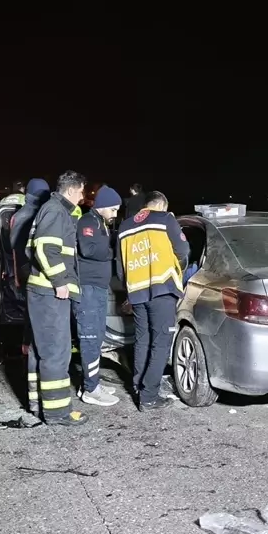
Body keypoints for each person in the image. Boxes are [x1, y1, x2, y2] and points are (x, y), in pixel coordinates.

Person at [25, 171, 89, 426]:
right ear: (73, 190)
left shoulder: (51, 209)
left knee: (41, 350)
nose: (83, 197)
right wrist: (60, 281)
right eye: (82, 192)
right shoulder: (56, 211)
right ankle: (57, 412)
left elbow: (32, 248)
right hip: (50, 293)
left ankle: (37, 404)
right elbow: (43, 248)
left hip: (42, 292)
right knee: (56, 352)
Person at [117, 191, 189, 411]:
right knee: (160, 344)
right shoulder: (166, 219)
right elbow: (184, 250)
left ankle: (138, 387)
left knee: (142, 340)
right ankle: (149, 396)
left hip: (137, 292)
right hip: (162, 289)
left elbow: (120, 269)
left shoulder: (125, 227)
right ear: (162, 205)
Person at [74, 185, 122, 407]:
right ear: (101, 207)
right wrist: (114, 252)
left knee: (97, 337)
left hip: (98, 289)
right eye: (112, 209)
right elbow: (89, 250)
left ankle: (92, 382)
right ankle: (90, 390)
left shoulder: (101, 222)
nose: (115, 214)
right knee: (90, 339)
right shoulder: (87, 222)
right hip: (89, 289)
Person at [9, 178, 50, 402]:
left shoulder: (20, 214)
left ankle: (28, 358)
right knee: (36, 324)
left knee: (29, 321)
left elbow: (12, 248)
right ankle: (33, 364)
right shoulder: (37, 214)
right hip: (35, 275)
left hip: (23, 274)